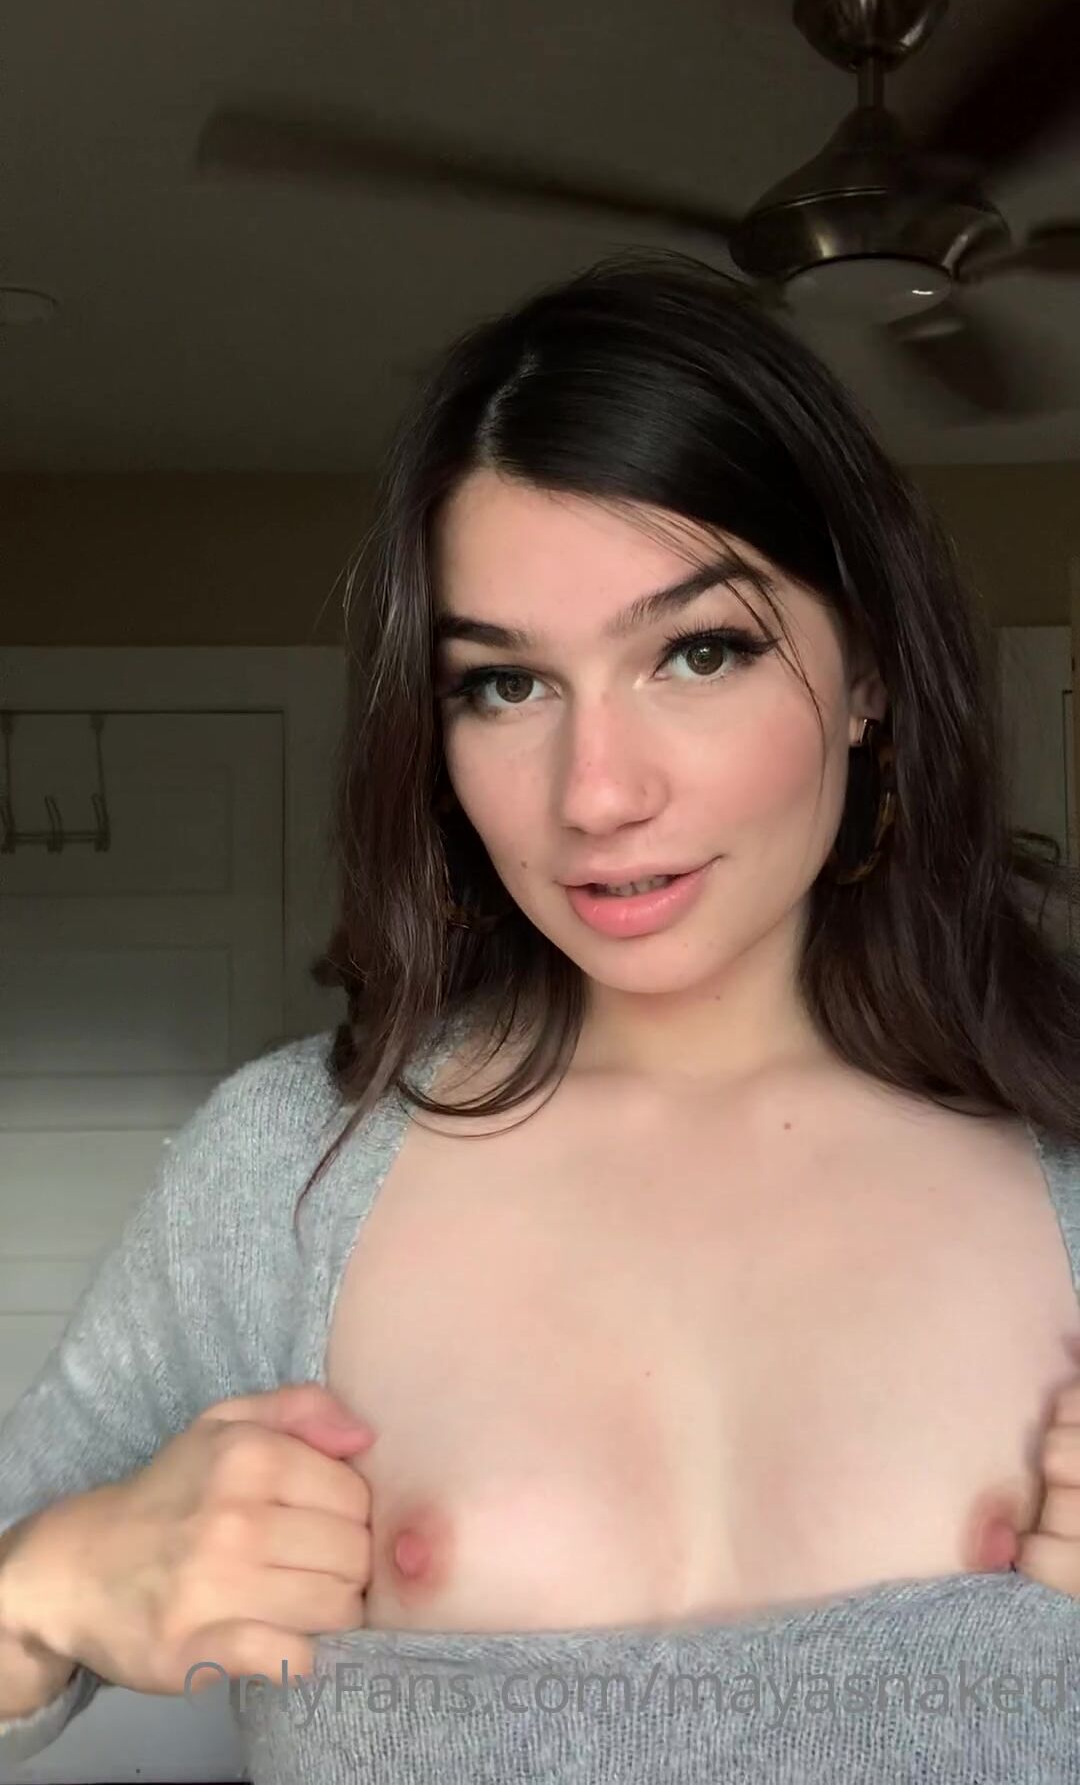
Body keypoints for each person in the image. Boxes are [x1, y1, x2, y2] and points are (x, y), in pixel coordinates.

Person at [1, 249, 1078, 1783]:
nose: (597, 793)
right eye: (506, 686)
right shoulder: (288, 1171)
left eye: (697, 652)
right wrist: (48, 1585)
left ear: (869, 677)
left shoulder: (1066, 1156)